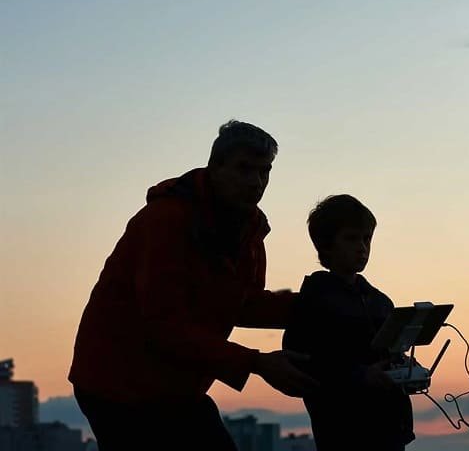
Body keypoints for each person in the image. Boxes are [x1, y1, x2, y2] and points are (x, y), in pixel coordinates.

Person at [68, 120, 318, 451]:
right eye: (244, 169)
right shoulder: (165, 220)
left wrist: (320, 306)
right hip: (117, 384)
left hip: (177, 386)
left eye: (264, 172)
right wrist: (257, 363)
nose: (256, 182)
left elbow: (242, 303)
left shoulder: (250, 227)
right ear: (215, 167)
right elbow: (163, 324)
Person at [282, 195, 415, 451]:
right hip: (343, 433)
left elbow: (390, 355)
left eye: (367, 238)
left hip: (389, 431)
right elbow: (301, 365)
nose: (362, 247)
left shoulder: (380, 302)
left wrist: (404, 368)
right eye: (352, 238)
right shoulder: (313, 302)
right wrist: (360, 376)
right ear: (326, 245)